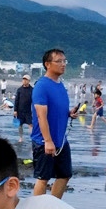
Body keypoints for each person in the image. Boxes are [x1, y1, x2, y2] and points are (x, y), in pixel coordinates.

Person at [31, 49, 74, 198]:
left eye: (64, 61)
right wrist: (48, 141)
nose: (63, 64)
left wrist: (69, 114)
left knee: (65, 175)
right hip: (44, 140)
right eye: (59, 61)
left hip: (61, 140)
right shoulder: (42, 86)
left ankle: (54, 206)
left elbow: (57, 109)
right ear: (47, 64)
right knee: (43, 178)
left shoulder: (60, 85)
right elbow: (41, 116)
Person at [13, 74, 33, 141]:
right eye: (23, 79)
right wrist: (15, 110)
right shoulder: (19, 89)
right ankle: (21, 138)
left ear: (29, 81)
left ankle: (32, 138)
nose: (24, 81)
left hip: (28, 111)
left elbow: (34, 100)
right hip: (20, 110)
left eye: (26, 79)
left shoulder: (32, 90)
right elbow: (16, 100)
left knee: (30, 124)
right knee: (20, 125)